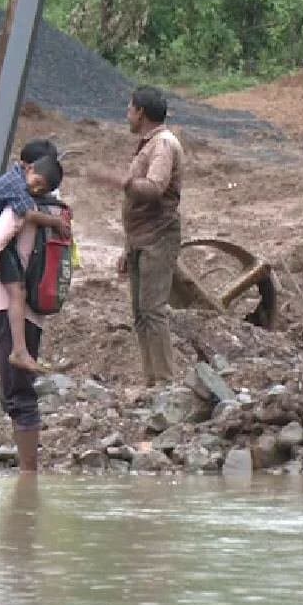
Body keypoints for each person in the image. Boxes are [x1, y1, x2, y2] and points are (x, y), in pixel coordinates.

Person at [0, 145, 69, 374]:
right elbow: (28, 214)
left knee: (17, 290)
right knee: (17, 292)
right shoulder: (17, 185)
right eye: (37, 183)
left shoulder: (22, 180)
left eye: (42, 189)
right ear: (29, 167)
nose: (36, 189)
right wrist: (55, 222)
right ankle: (19, 351)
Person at [116, 85, 188, 386]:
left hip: (158, 237)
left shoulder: (162, 145)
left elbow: (154, 189)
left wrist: (123, 182)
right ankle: (152, 380)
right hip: (142, 239)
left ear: (141, 112)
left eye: (130, 108)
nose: (127, 114)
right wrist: (127, 247)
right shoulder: (152, 144)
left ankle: (165, 382)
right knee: (141, 313)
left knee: (152, 311)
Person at [0, 206, 45, 472]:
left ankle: (28, 475)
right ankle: (27, 474)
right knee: (19, 387)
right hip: (37, 312)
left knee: (17, 392)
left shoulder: (20, 209)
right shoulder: (56, 210)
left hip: (6, 308)